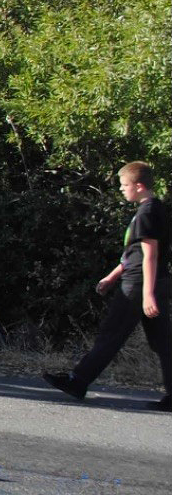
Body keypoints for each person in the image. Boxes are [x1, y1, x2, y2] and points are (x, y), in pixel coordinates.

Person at [44, 161, 172, 410]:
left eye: (124, 185)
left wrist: (147, 294)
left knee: (111, 334)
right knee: (164, 342)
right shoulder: (153, 208)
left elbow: (150, 255)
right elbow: (134, 252)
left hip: (139, 284)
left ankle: (78, 381)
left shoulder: (148, 212)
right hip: (149, 281)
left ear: (139, 185)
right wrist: (112, 277)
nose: (122, 190)